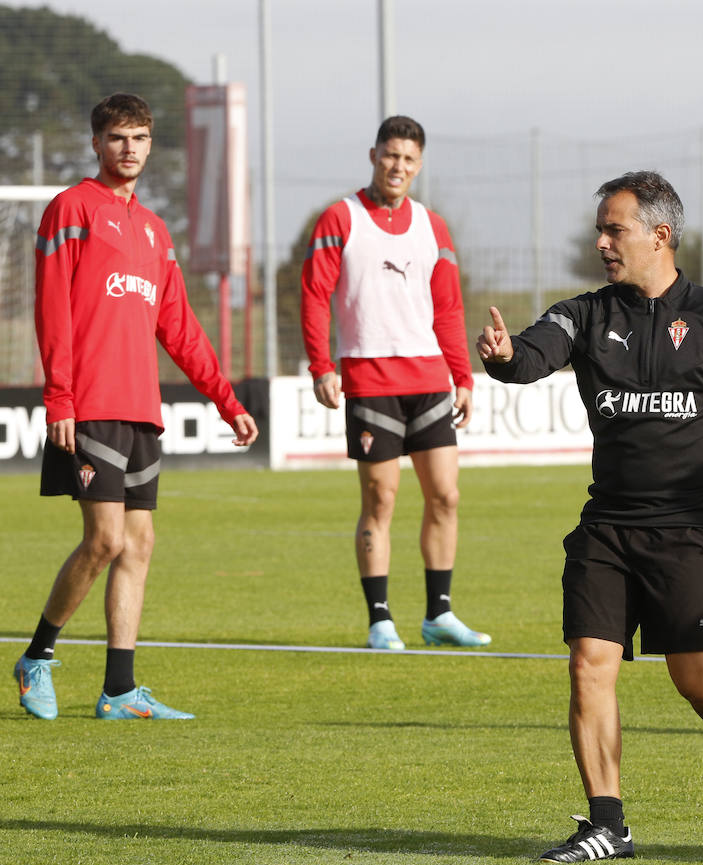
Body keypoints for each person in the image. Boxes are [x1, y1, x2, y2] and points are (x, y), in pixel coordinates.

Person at [478, 171, 703, 863]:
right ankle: (607, 823)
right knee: (590, 664)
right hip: (607, 529)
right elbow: (535, 351)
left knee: (701, 684)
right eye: (601, 229)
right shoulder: (588, 314)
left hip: (689, 530)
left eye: (614, 229)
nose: (601, 242)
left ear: (660, 235)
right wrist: (506, 359)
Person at [16, 92, 259, 722]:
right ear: (97, 143)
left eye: (141, 138)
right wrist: (60, 395)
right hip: (89, 403)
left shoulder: (155, 231)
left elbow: (178, 326)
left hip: (141, 410)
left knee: (139, 544)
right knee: (104, 539)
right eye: (119, 137)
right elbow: (53, 310)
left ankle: (119, 691)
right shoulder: (71, 209)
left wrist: (226, 400)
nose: (131, 149)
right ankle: (37, 656)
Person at [300, 115, 491, 652]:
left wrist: (463, 376)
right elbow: (315, 296)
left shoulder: (434, 225)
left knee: (446, 497)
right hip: (369, 379)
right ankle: (380, 619)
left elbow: (449, 308)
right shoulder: (340, 218)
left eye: (408, 159)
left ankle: (440, 615)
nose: (397, 166)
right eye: (390, 155)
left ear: (419, 165)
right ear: (373, 155)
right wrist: (321, 365)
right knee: (381, 499)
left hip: (429, 379)